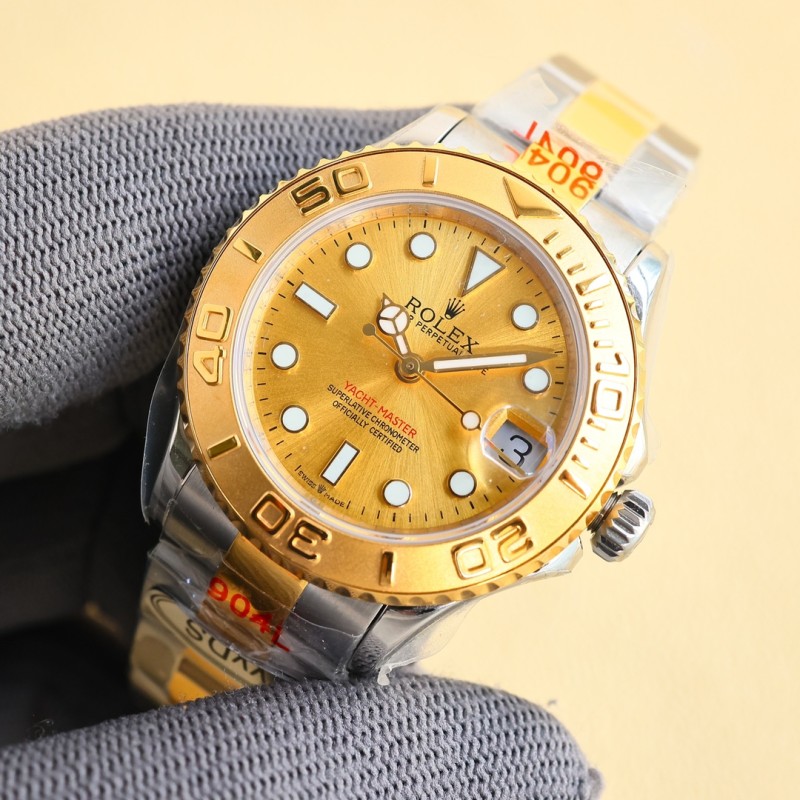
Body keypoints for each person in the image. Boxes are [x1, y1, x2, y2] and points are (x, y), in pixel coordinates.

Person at [0, 102, 602, 799]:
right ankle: (157, 680)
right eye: (411, 357)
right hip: (211, 480)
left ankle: (168, 686)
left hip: (335, 590)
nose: (411, 369)